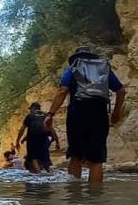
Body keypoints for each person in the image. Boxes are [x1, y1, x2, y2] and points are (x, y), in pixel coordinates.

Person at [44, 47, 125, 183]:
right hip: (99, 112)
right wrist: (116, 112)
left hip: (78, 111)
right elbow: (121, 90)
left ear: (75, 57)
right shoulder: (104, 69)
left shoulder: (72, 68)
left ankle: (75, 198)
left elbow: (63, 91)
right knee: (96, 159)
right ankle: (95, 199)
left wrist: (50, 114)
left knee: (75, 155)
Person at [15, 102, 60, 173]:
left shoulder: (30, 116)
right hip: (44, 137)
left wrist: (17, 141)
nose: (30, 110)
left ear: (33, 108)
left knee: (33, 157)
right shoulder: (46, 116)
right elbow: (51, 129)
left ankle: (39, 174)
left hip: (32, 138)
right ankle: (48, 172)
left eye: (30, 109)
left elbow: (22, 129)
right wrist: (57, 143)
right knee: (45, 157)